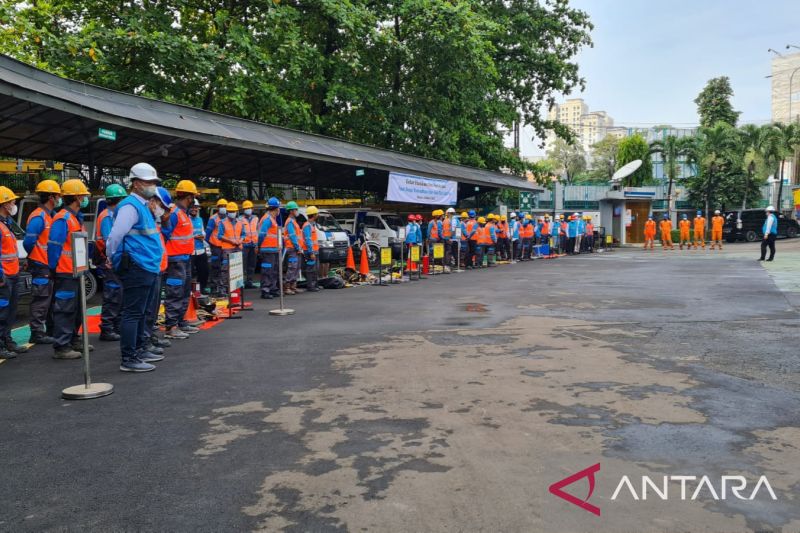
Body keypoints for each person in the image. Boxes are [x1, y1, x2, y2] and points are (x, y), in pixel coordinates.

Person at [106, 163, 165, 372]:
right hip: (137, 266)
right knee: (133, 313)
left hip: (147, 266)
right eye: (149, 182)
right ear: (137, 183)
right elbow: (115, 235)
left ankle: (139, 349)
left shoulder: (143, 205)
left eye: (154, 183)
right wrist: (110, 256)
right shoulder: (130, 206)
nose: (152, 186)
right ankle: (129, 357)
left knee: (141, 312)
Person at [46, 179, 92, 359]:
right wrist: (53, 269)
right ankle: (62, 346)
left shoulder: (74, 218)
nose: (84, 199)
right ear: (77, 197)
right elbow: (54, 246)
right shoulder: (63, 218)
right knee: (64, 309)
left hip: (75, 271)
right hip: (65, 272)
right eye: (83, 196)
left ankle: (73, 339)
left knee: (77, 308)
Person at [23, 179, 61, 345]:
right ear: (51, 197)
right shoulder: (39, 216)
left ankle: (48, 330)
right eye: (58, 195)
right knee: (41, 299)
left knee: (49, 299)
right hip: (40, 264)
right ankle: (37, 333)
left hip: (48, 264)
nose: (59, 198)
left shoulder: (49, 216)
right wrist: (34, 256)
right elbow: (28, 242)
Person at [162, 180, 198, 340]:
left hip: (184, 258)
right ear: (189, 197)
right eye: (193, 197)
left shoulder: (183, 213)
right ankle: (171, 326)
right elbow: (164, 235)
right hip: (175, 260)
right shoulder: (175, 213)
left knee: (184, 291)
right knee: (175, 292)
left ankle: (180, 321)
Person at [95, 184, 128, 341]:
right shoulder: (107, 216)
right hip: (111, 261)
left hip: (117, 261)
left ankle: (116, 326)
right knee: (113, 295)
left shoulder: (113, 215)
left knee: (119, 294)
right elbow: (111, 241)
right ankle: (107, 328)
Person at [0, 186, 23, 359]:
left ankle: (7, 341)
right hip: (4, 277)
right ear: (4, 204)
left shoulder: (6, 224)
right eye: (12, 201)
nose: (14, 203)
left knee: (10, 311)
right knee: (2, 313)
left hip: (12, 274)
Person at [258, 197, 282, 299]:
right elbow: (262, 234)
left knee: (273, 270)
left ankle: (272, 288)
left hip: (273, 249)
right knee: (267, 271)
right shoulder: (267, 219)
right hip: (267, 249)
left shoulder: (272, 219)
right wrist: (258, 245)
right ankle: (265, 290)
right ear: (276, 209)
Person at [205, 198, 228, 296]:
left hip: (226, 247)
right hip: (215, 247)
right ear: (218, 208)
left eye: (224, 206)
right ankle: (214, 287)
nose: (223, 208)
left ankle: (224, 287)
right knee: (215, 267)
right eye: (221, 206)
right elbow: (208, 233)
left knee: (225, 268)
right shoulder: (213, 219)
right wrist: (207, 244)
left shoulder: (229, 219)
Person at [282, 201, 303, 295]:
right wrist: (298, 247)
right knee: (292, 267)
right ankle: (287, 287)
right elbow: (292, 236)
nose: (296, 211)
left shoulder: (293, 221)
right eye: (295, 209)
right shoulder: (290, 222)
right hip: (292, 247)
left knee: (297, 266)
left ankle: (293, 286)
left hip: (296, 247)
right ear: (291, 211)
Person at [189, 199, 209, 293]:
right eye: (192, 207)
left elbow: (203, 232)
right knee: (190, 272)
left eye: (195, 208)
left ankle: (202, 289)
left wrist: (202, 236)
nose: (194, 209)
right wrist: (195, 237)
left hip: (200, 249)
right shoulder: (186, 219)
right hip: (190, 251)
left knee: (204, 271)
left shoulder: (200, 220)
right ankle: (189, 290)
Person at [240, 200, 258, 288]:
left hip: (253, 244)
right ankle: (241, 283)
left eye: (249, 208)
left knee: (252, 264)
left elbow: (258, 231)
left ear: (252, 209)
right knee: (242, 265)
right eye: (246, 208)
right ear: (243, 210)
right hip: (244, 245)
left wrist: (257, 244)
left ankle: (249, 282)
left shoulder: (256, 218)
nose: (248, 210)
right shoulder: (240, 219)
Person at [302, 206, 320, 292]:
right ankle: (310, 286)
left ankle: (315, 284)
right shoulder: (307, 226)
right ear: (314, 215)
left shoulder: (311, 225)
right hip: (310, 252)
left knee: (315, 268)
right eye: (317, 213)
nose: (318, 215)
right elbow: (308, 239)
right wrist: (311, 252)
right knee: (310, 269)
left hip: (314, 251)